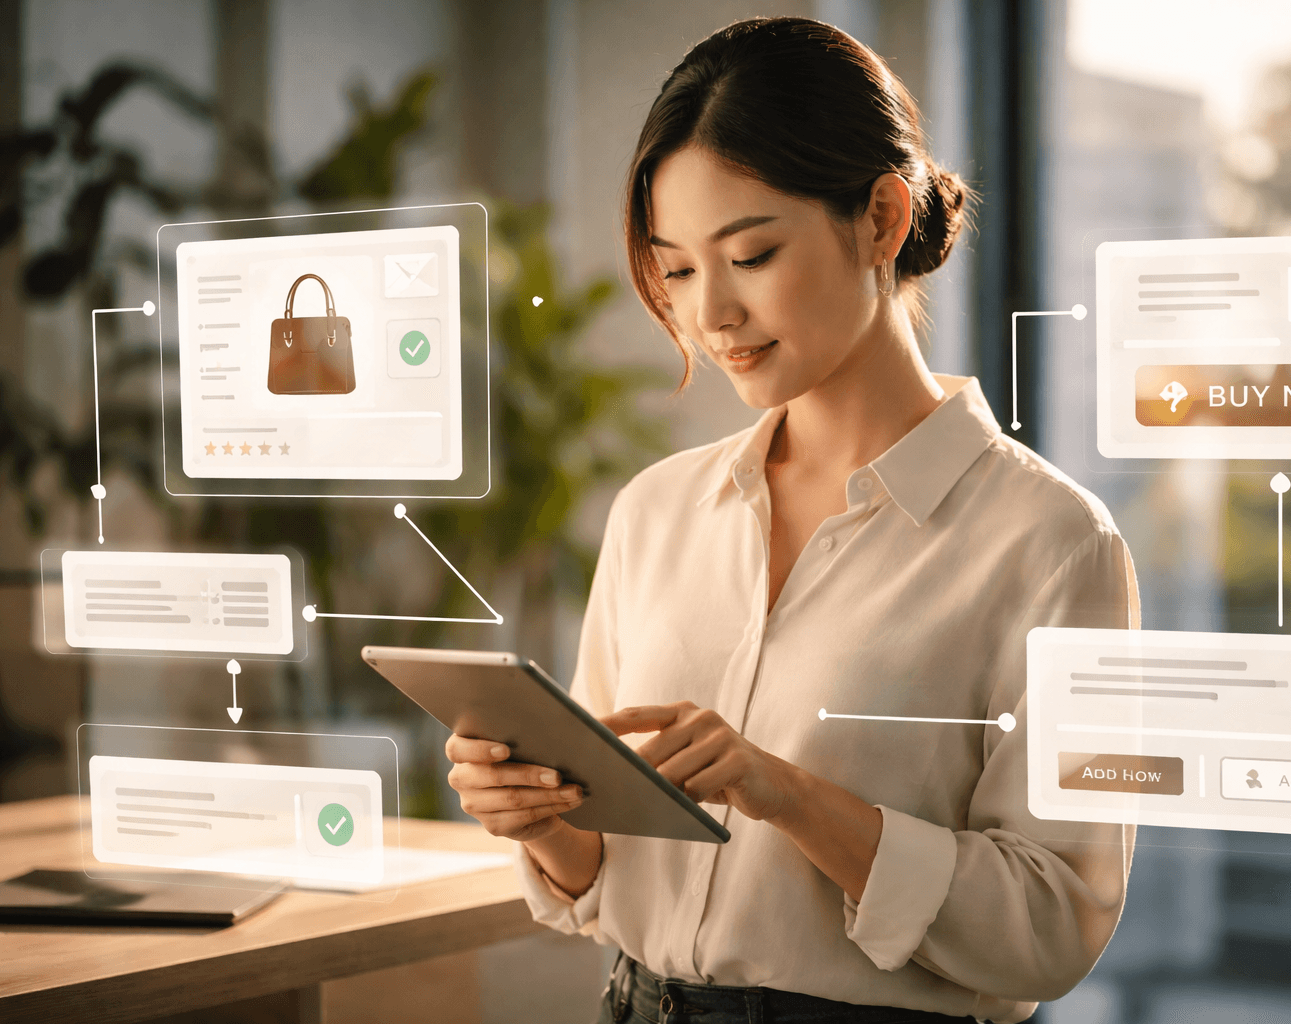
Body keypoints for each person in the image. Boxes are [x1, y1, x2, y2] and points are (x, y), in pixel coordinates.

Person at [447, 17, 1138, 1024]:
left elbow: (1052, 923)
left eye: (753, 253)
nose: (709, 313)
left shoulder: (1051, 542)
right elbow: (602, 883)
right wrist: (541, 818)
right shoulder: (658, 512)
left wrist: (789, 795)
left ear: (881, 219)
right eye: (677, 269)